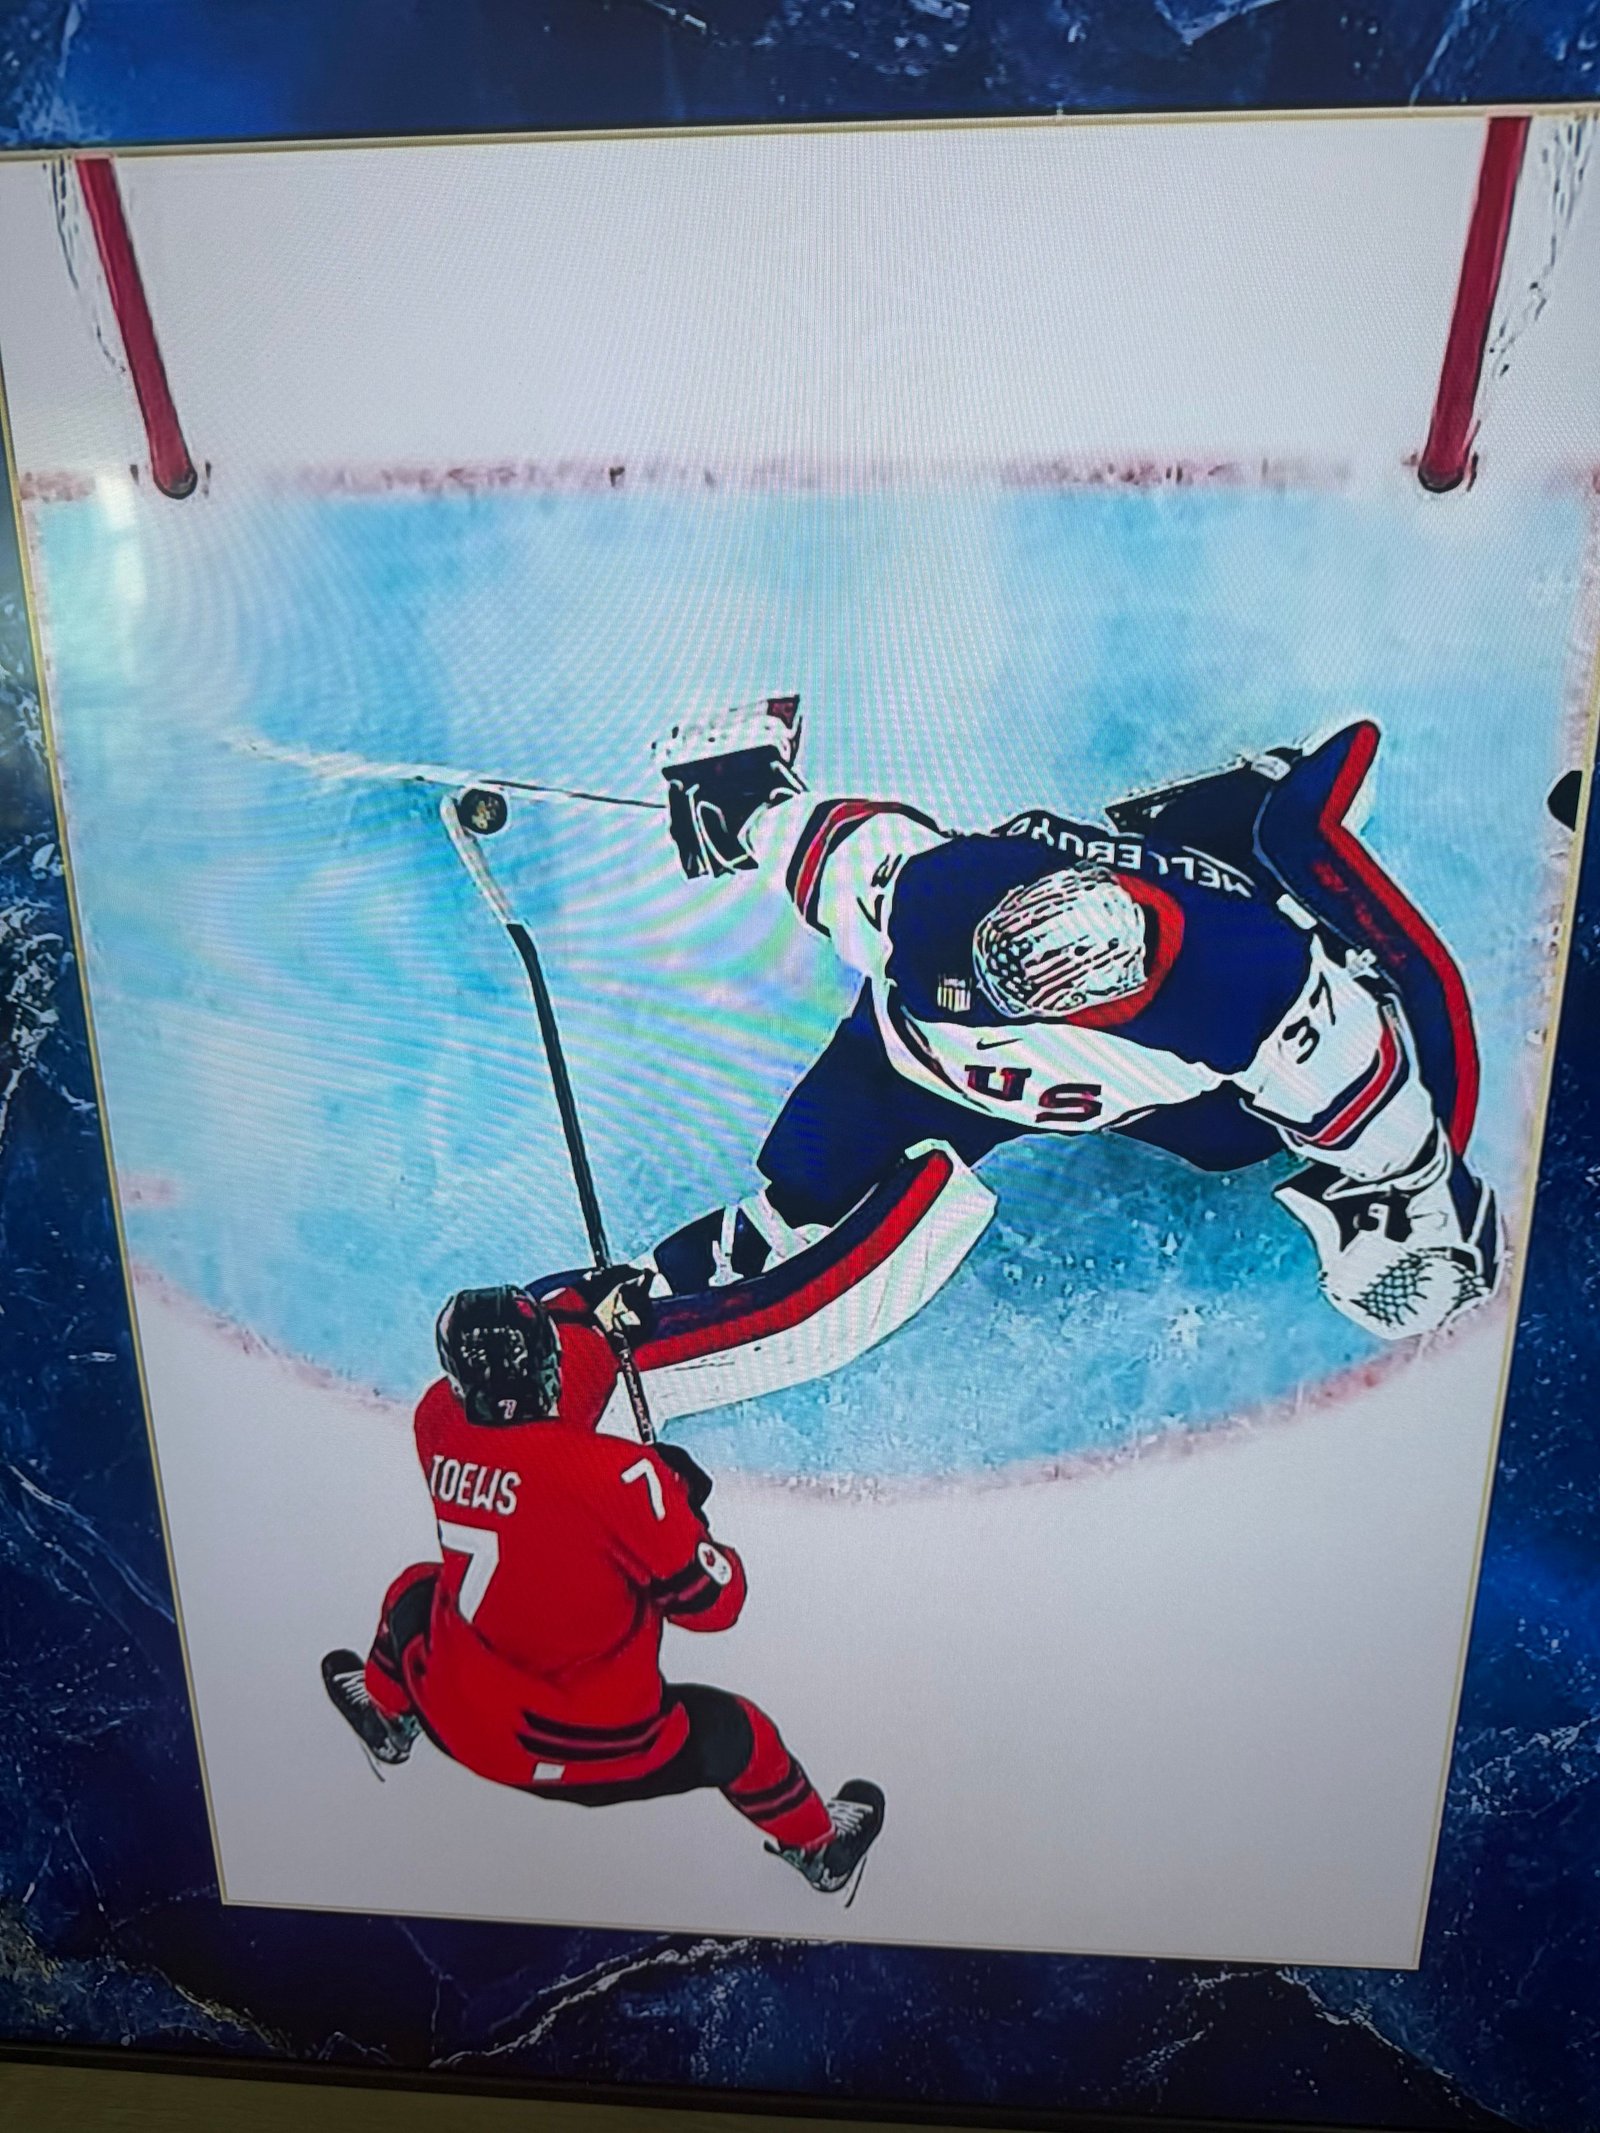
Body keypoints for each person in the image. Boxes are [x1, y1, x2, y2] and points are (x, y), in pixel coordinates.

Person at [643, 698, 1499, 1348]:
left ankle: (1238, 822)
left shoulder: (1242, 982)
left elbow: (1368, 1091)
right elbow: (830, 844)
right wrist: (744, 797)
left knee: (1230, 1138)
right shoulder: (925, 905)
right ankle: (649, 1292)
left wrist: (1418, 1191)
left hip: (1150, 1060)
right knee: (807, 1194)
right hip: (914, 1072)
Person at [321, 1272, 884, 1897]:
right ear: (546, 1364)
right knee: (737, 1733)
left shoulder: (437, 1421)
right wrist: (684, 1511)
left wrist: (586, 1312)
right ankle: (819, 1846)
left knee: (415, 1591)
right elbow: (714, 1604)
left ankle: (389, 1717)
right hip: (603, 1748)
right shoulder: (621, 1481)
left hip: (461, 1717)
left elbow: (541, 1436)